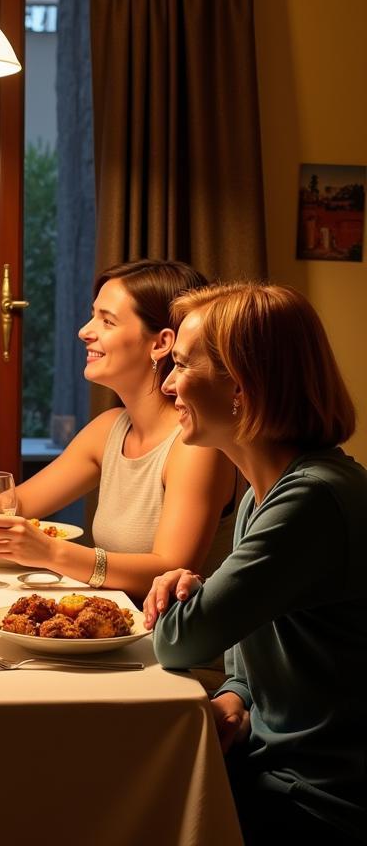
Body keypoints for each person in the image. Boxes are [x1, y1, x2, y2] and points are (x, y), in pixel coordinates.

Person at [144, 283, 366, 845]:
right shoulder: (261, 496)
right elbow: (243, 658)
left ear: (241, 387)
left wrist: (187, 601)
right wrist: (236, 699)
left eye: (182, 365)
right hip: (275, 769)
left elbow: (179, 643)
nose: (167, 385)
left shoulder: (310, 501)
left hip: (319, 798)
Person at [0, 259, 238, 600]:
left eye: (106, 320)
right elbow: (18, 502)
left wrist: (50, 552)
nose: (85, 330)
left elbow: (169, 570)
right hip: (115, 630)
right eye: (93, 314)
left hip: (167, 647)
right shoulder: (109, 428)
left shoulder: (196, 445)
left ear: (160, 343)